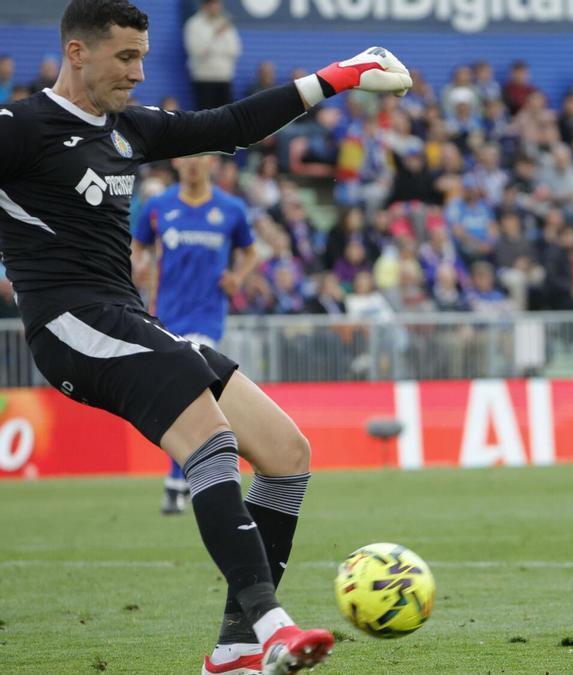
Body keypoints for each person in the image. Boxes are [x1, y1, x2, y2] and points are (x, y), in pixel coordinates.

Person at [0, 2, 412, 673]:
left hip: (132, 321)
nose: (138, 72)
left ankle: (234, 648)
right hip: (70, 326)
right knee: (210, 438)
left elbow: (230, 126)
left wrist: (339, 76)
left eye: (142, 56)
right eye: (124, 57)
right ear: (77, 53)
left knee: (287, 453)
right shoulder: (20, 127)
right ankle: (273, 627)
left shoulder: (128, 127)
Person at [131, 154, 257, 516]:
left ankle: (178, 484)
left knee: (189, 395)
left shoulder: (231, 209)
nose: (193, 163)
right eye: (187, 156)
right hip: (166, 316)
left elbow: (250, 252)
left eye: (200, 156)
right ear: (175, 161)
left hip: (207, 318)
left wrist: (237, 277)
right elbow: (138, 245)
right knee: (183, 403)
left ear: (212, 162)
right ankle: (188, 479)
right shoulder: (158, 206)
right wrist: (138, 265)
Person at [183, 0, 241, 109]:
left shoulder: (225, 24)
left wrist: (217, 47)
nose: (218, 8)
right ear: (206, 6)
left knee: (226, 115)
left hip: (224, 78)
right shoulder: (194, 24)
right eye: (214, 4)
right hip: (204, 79)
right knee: (205, 115)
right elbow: (197, 51)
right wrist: (215, 35)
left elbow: (235, 50)